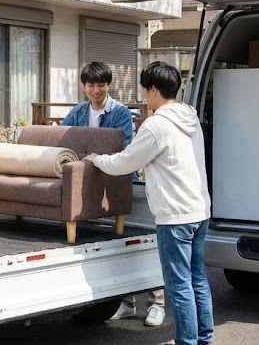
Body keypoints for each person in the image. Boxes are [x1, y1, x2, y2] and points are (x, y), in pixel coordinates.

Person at [85, 62, 213, 345]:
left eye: (144, 89)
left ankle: (188, 342)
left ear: (154, 89)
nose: (143, 95)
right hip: (199, 210)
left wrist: (97, 160)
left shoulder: (156, 125)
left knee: (179, 285)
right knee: (198, 280)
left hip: (175, 216)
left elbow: (125, 162)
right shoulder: (190, 117)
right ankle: (204, 339)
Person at [60, 62, 165, 326]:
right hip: (91, 185)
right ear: (84, 86)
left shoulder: (120, 112)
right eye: (91, 85)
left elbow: (124, 148)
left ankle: (157, 303)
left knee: (141, 242)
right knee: (115, 245)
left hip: (120, 184)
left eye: (101, 85)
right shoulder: (78, 111)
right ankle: (127, 303)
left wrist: (93, 157)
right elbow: (62, 137)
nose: (96, 90)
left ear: (108, 85)